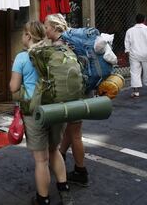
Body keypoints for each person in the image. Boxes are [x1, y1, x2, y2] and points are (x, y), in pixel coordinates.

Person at [10, 20, 73, 205]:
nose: (22, 37)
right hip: (56, 109)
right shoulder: (54, 51)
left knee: (41, 159)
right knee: (54, 150)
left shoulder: (22, 58)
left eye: (23, 34)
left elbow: (13, 87)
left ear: (28, 36)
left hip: (35, 112)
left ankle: (42, 199)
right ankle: (64, 190)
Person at [44, 13, 89, 188]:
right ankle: (63, 155)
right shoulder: (73, 43)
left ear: (55, 28)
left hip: (68, 95)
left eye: (46, 26)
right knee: (73, 129)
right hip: (80, 90)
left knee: (74, 133)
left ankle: (81, 171)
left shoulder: (57, 47)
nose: (45, 29)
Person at [125, 13, 147, 98]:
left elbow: (127, 43)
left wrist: (128, 51)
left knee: (135, 72)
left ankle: (136, 92)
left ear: (135, 20)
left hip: (134, 54)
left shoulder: (130, 30)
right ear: (144, 20)